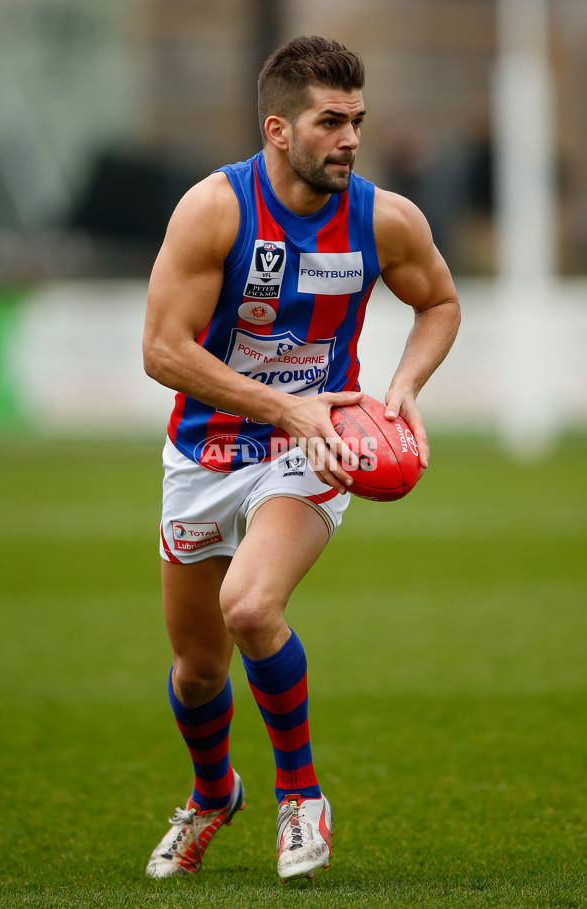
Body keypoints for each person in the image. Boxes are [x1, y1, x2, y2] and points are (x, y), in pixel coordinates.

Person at [142, 35, 460, 883]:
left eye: (358, 120)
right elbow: (163, 350)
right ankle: (214, 793)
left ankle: (302, 793)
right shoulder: (215, 210)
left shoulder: (385, 218)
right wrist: (279, 400)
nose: (351, 138)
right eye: (331, 121)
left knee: (251, 606)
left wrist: (402, 387)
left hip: (314, 444)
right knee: (199, 669)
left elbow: (440, 301)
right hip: (205, 453)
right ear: (280, 129)